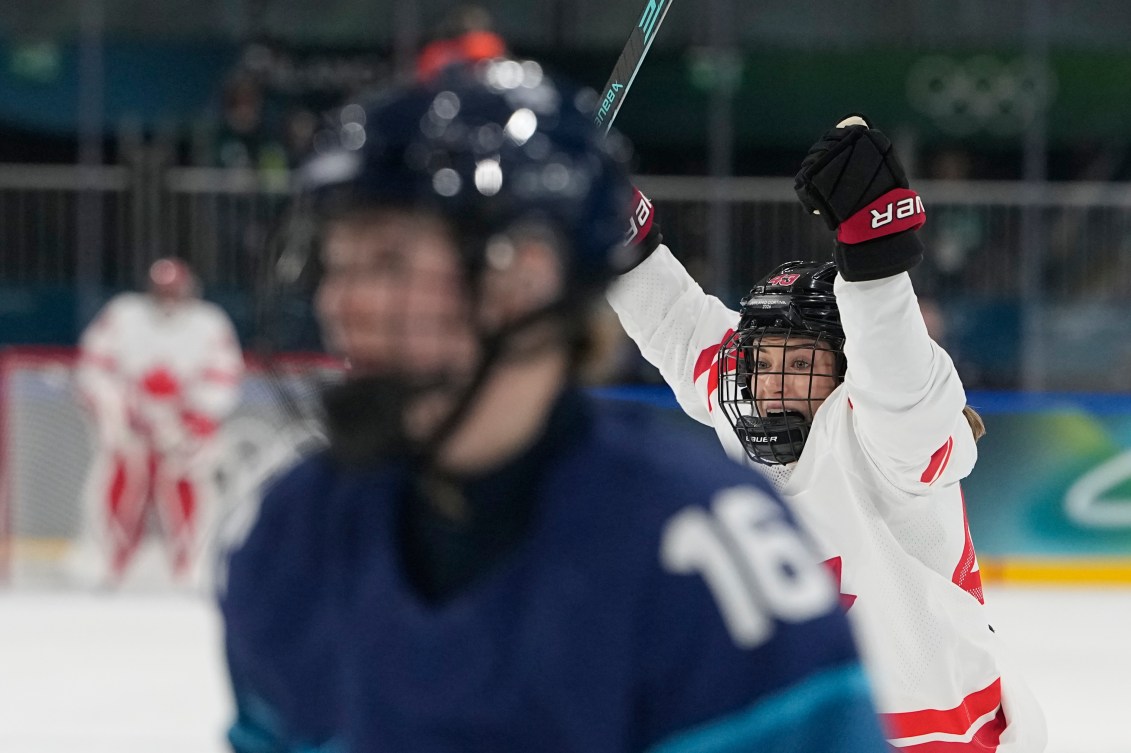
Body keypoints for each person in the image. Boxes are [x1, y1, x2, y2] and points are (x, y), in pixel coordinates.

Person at [218, 61, 889, 753]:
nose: (343, 303)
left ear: (525, 277)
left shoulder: (713, 561)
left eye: (387, 262)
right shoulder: (293, 538)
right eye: (339, 262)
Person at [608, 117, 1047, 751]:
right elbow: (674, 319)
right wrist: (611, 223)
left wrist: (876, 260)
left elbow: (897, 381)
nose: (776, 383)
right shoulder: (745, 401)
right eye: (763, 363)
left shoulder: (888, 439)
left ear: (845, 369)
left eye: (800, 363)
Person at [73, 258, 244, 586]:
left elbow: (224, 380)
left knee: (186, 482)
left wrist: (188, 413)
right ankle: (112, 560)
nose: (167, 299)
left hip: (184, 428)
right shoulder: (123, 314)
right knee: (120, 482)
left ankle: (190, 564)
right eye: (161, 291)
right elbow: (93, 369)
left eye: (174, 291)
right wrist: (123, 406)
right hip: (131, 426)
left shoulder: (209, 322)